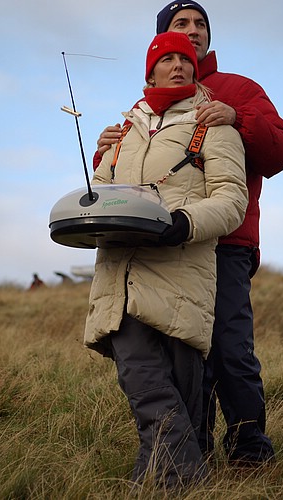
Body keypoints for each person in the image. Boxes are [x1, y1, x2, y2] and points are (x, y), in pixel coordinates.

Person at [93, 0, 283, 466]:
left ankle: (249, 452)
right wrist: (106, 152)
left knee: (228, 351)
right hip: (155, 248)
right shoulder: (142, 109)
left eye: (200, 24)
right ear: (158, 47)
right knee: (179, 354)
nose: (193, 32)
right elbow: (127, 184)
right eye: (180, 26)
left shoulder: (237, 90)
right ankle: (192, 455)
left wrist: (238, 119)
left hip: (224, 243)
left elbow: (282, 150)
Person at [84, 31, 248, 486]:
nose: (178, 65)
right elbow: (97, 196)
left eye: (185, 59)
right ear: (149, 70)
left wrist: (182, 223)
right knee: (150, 393)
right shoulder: (120, 134)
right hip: (121, 282)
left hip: (183, 280)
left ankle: (151, 485)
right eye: (166, 58)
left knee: (184, 407)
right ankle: (188, 485)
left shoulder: (213, 126)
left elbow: (232, 200)